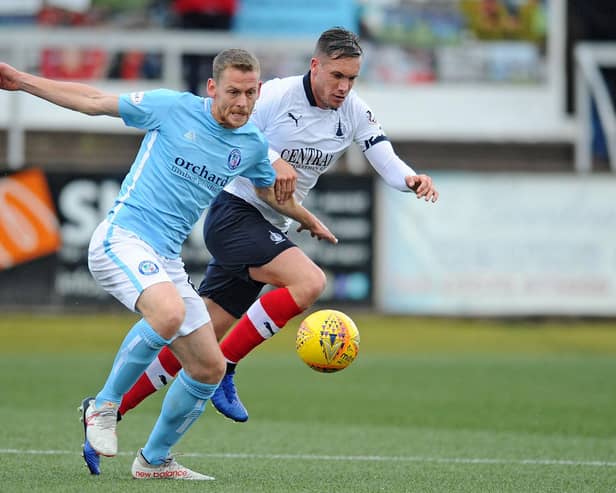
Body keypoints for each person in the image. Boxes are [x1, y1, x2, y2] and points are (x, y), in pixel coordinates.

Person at [0, 49, 336, 480]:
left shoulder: (251, 142)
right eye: (233, 92)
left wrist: (308, 220)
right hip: (122, 237)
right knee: (169, 312)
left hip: (166, 260)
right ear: (212, 87)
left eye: (251, 93)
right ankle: (103, 406)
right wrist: (21, 80)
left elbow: (270, 192)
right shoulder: (172, 107)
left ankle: (154, 460)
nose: (243, 103)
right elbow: (93, 101)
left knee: (209, 367)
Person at [112, 26, 439, 432]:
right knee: (309, 282)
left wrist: (409, 179)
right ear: (315, 66)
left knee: (197, 339)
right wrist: (270, 158)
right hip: (234, 212)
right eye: (337, 76)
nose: (344, 87)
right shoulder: (275, 96)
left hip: (270, 222)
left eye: (352, 78)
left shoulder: (354, 110)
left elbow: (384, 157)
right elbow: (234, 130)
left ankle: (111, 410)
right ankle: (226, 369)